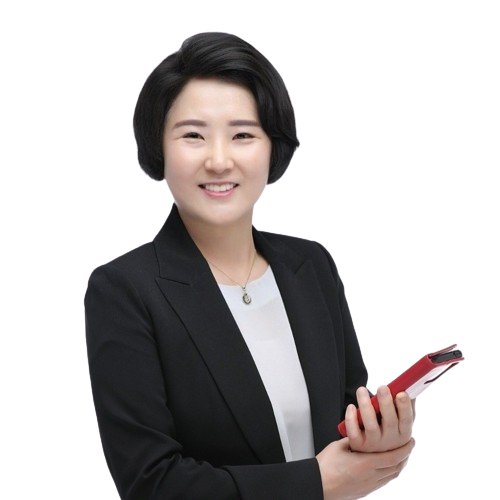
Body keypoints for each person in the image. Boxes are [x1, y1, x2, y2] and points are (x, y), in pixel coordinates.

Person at [84, 31, 416, 499]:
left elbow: (346, 418)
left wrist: (377, 439)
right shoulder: (123, 290)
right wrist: (317, 483)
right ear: (159, 146)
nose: (219, 161)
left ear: (271, 146)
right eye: (193, 135)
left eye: (242, 134)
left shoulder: (312, 264)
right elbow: (151, 484)